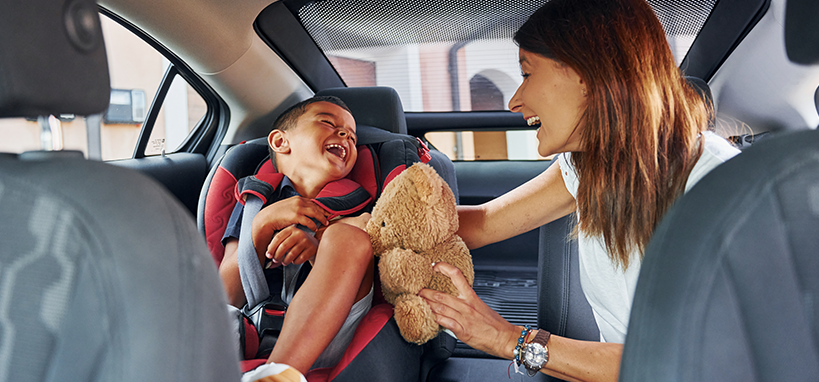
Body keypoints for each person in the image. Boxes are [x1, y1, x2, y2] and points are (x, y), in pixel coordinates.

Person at [419, 0, 741, 381]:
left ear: (586, 73)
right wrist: (368, 229)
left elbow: (688, 360)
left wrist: (507, 338)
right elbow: (482, 224)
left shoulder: (711, 185)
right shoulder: (588, 165)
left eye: (526, 73)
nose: (514, 100)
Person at [219, 95, 374, 374]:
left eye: (352, 136)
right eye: (327, 122)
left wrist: (319, 250)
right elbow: (224, 297)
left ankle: (279, 375)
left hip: (329, 330)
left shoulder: (361, 205)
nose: (345, 136)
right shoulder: (254, 203)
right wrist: (260, 227)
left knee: (349, 238)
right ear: (280, 142)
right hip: (248, 324)